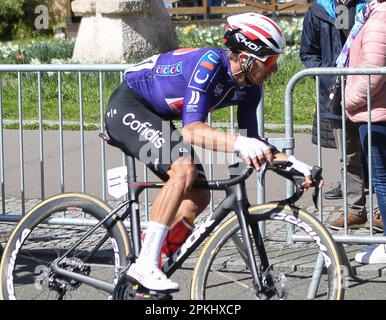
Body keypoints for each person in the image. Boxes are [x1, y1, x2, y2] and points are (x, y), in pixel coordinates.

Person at [105, 12, 321, 291]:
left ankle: (150, 259)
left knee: (198, 197)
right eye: (270, 61)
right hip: (129, 105)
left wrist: (295, 165)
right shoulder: (208, 64)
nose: (274, 70)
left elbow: (252, 142)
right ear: (246, 58)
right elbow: (192, 130)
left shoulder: (250, 90)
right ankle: (144, 264)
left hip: (158, 116)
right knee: (183, 169)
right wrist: (239, 143)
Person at [300, 0, 369, 230]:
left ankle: (381, 211)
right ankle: (355, 210)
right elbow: (308, 53)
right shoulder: (317, 12)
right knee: (348, 157)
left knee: (377, 155)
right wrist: (331, 78)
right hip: (336, 95)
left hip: (370, 89)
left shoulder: (367, 7)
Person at [340, 0, 386, 263]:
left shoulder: (379, 17)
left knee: (382, 181)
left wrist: (349, 99)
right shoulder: (372, 14)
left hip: (376, 112)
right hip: (375, 109)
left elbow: (373, 73)